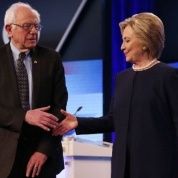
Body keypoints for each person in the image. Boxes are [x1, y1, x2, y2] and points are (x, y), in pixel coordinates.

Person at [53, 12, 178, 178]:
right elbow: (113, 120)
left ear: (145, 41)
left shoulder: (168, 76)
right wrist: (78, 122)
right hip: (122, 169)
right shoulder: (122, 78)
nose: (122, 47)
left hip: (157, 169)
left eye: (127, 40)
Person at [0, 2, 68, 178]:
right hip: (4, 159)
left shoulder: (52, 59)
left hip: (42, 158)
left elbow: (59, 108)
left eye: (37, 26)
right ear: (9, 29)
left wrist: (43, 151)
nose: (33, 31)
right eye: (26, 26)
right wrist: (24, 116)